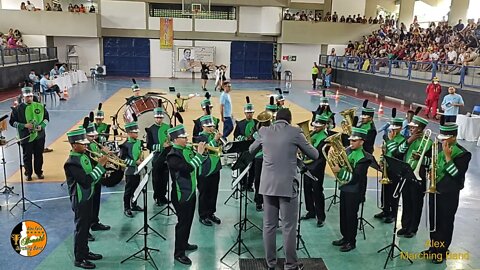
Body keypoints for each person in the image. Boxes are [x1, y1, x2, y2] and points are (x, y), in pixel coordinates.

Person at [249, 108, 319, 270]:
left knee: (269, 225)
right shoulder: (295, 131)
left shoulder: (264, 130)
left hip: (267, 186)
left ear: (275, 118)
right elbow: (314, 154)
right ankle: (290, 264)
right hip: (287, 186)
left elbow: (252, 150)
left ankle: (270, 263)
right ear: (290, 119)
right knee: (288, 227)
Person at [424, 123, 471, 264]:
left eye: (445, 138)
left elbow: (456, 174)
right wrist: (429, 171)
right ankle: (433, 247)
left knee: (445, 222)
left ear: (453, 137)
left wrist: (447, 157)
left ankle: (442, 251)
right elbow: (432, 163)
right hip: (435, 189)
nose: (442, 141)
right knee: (434, 220)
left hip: (449, 193)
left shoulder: (463, 154)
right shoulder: (438, 146)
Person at [64, 128, 105, 269]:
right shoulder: (72, 162)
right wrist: (100, 166)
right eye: (83, 144)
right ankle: (79, 258)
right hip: (81, 199)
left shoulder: (84, 156)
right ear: (74, 145)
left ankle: (85, 252)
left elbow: (91, 176)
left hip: (88, 196)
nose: (86, 146)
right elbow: (86, 181)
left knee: (86, 226)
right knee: (81, 229)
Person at [166, 125, 206, 265]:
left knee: (188, 221)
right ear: (175, 140)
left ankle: (184, 243)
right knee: (182, 223)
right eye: (183, 137)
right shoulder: (173, 155)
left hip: (191, 191)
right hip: (181, 194)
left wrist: (202, 153)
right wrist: (199, 154)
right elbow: (188, 168)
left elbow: (197, 162)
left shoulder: (186, 149)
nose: (186, 139)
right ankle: (179, 253)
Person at [331, 127, 373, 252]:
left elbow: (355, 178)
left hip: (354, 191)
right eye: (350, 141)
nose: (351, 143)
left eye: (354, 141)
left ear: (362, 142)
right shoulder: (348, 151)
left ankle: (351, 241)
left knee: (351, 216)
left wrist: (340, 171)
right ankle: (345, 237)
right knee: (343, 214)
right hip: (345, 188)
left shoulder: (364, 158)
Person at [397, 115, 432, 238]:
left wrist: (422, 159)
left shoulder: (429, 143)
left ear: (421, 128)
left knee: (416, 203)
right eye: (411, 127)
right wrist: (408, 141)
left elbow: (432, 162)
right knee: (406, 201)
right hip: (407, 174)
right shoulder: (407, 139)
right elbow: (398, 152)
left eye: (414, 127)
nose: (411, 129)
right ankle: (405, 226)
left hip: (419, 177)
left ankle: (413, 228)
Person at [9, 87, 49, 181]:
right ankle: (28, 173)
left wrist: (42, 126)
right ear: (23, 97)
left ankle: (39, 172)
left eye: (31, 96)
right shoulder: (17, 109)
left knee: (39, 155)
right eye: (27, 97)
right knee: (27, 156)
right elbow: (12, 122)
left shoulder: (40, 106)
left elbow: (46, 119)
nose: (29, 98)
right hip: (25, 137)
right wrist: (24, 125)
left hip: (39, 136)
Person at [374, 117, 406, 223]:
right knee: (385, 191)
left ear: (400, 128)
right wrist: (381, 160)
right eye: (392, 129)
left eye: (395, 129)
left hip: (396, 170)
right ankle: (385, 210)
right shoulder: (388, 138)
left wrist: (390, 140)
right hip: (386, 168)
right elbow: (385, 151)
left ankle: (393, 213)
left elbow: (397, 153)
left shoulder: (403, 140)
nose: (392, 131)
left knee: (393, 193)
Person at [193, 115, 223, 226]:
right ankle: (203, 215)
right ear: (203, 126)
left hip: (215, 168)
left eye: (212, 125)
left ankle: (211, 213)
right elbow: (204, 150)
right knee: (204, 193)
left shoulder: (213, 135)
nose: (211, 128)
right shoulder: (199, 138)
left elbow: (220, 149)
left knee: (213, 192)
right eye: (209, 126)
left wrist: (220, 141)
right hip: (204, 170)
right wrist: (215, 140)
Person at [301, 114, 330, 227]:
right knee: (307, 189)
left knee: (317, 192)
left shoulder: (325, 138)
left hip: (317, 168)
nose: (315, 128)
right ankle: (311, 211)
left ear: (323, 126)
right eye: (315, 125)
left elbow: (319, 156)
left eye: (318, 126)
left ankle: (320, 216)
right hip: (307, 166)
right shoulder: (313, 134)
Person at [145, 107, 171, 206]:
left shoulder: (168, 127)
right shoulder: (150, 129)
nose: (159, 119)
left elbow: (172, 140)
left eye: (160, 117)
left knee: (165, 178)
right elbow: (149, 145)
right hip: (157, 156)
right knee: (157, 178)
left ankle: (163, 196)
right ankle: (157, 197)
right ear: (154, 118)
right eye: (157, 118)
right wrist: (161, 146)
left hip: (167, 156)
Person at [120, 122, 144, 218]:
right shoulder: (124, 145)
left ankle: (134, 204)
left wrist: (141, 159)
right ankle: (127, 207)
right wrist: (135, 163)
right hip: (130, 171)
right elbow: (123, 159)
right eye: (134, 132)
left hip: (138, 170)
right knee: (128, 190)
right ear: (129, 133)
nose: (137, 134)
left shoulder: (139, 142)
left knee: (136, 188)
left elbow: (140, 152)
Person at [233, 99, 257, 191]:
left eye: (251, 112)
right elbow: (236, 136)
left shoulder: (257, 123)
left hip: (254, 149)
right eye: (248, 112)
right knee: (242, 168)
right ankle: (243, 184)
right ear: (244, 113)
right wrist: (244, 138)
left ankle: (250, 184)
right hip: (243, 149)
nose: (249, 114)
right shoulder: (240, 124)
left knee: (253, 169)